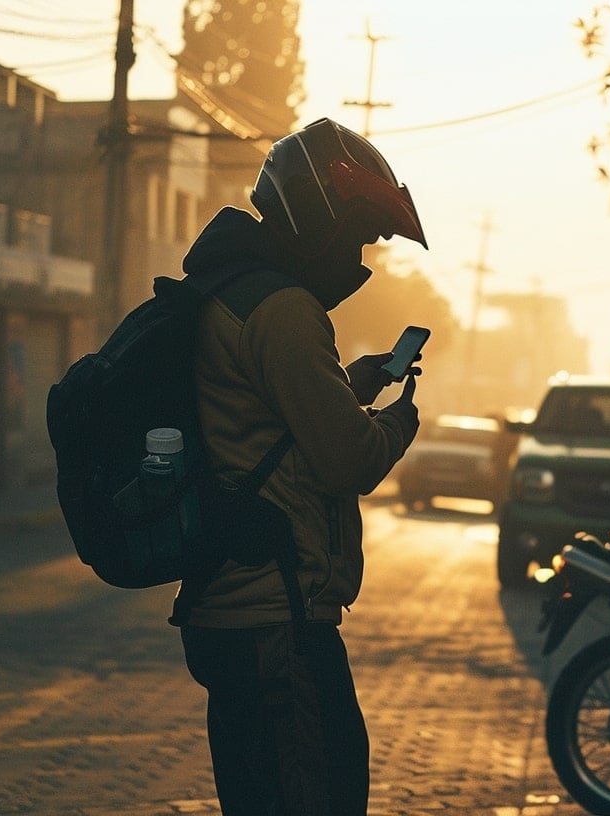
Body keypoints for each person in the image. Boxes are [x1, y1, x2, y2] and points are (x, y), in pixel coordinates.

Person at [171, 117, 428, 815]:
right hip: (276, 620)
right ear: (317, 220)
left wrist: (349, 387)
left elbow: (272, 427)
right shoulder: (283, 309)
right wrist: (400, 419)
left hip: (243, 611)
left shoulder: (239, 289)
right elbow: (350, 458)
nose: (358, 260)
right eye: (357, 238)